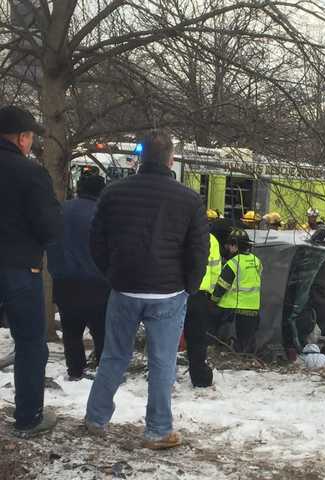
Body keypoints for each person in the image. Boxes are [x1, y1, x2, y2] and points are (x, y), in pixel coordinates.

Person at [84, 131, 209, 450]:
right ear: (171, 160)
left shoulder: (113, 193)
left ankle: (96, 418)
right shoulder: (189, 198)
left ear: (141, 159)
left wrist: (112, 274)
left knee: (113, 355)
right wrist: (190, 286)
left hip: (124, 288)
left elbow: (96, 241)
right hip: (168, 292)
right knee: (162, 361)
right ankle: (157, 430)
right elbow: (198, 249)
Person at [0, 105, 61, 438]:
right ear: (23, 138)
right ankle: (28, 416)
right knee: (29, 343)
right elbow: (51, 227)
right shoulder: (31, 173)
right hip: (20, 269)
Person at [47, 174, 109, 381]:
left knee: (71, 331)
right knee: (101, 330)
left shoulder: (61, 210)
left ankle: (75, 370)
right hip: (97, 282)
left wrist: (56, 271)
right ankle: (102, 367)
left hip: (65, 281)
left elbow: (51, 242)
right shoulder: (102, 214)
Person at [182, 209, 223, 388]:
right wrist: (211, 295)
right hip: (199, 296)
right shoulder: (211, 240)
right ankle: (200, 378)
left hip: (177, 293)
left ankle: (160, 376)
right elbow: (216, 270)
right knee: (197, 340)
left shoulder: (178, 234)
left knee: (166, 337)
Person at [211, 228, 263, 354]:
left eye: (229, 245)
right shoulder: (256, 261)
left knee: (223, 339)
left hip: (232, 309)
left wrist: (213, 301)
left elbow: (221, 287)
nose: (228, 248)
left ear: (235, 245)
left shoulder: (233, 263)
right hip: (253, 308)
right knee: (245, 343)